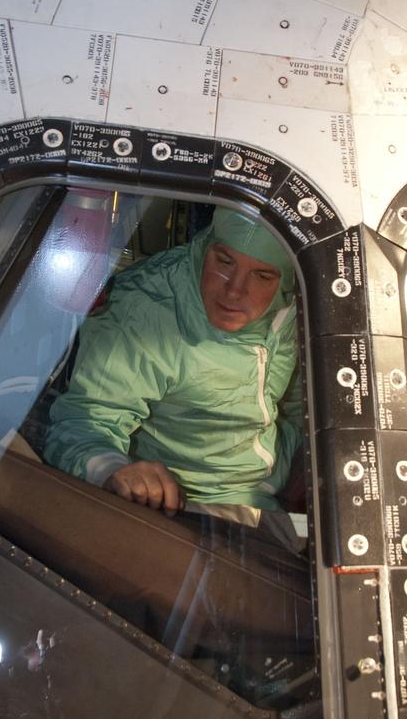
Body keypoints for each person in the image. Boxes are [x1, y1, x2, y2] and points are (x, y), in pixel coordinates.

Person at [44, 207, 302, 533]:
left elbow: (296, 398)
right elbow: (84, 423)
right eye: (224, 261)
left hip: (281, 477)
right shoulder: (148, 312)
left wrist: (307, 461)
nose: (235, 290)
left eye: (262, 275)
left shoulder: (297, 302)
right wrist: (111, 469)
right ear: (206, 245)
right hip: (198, 504)